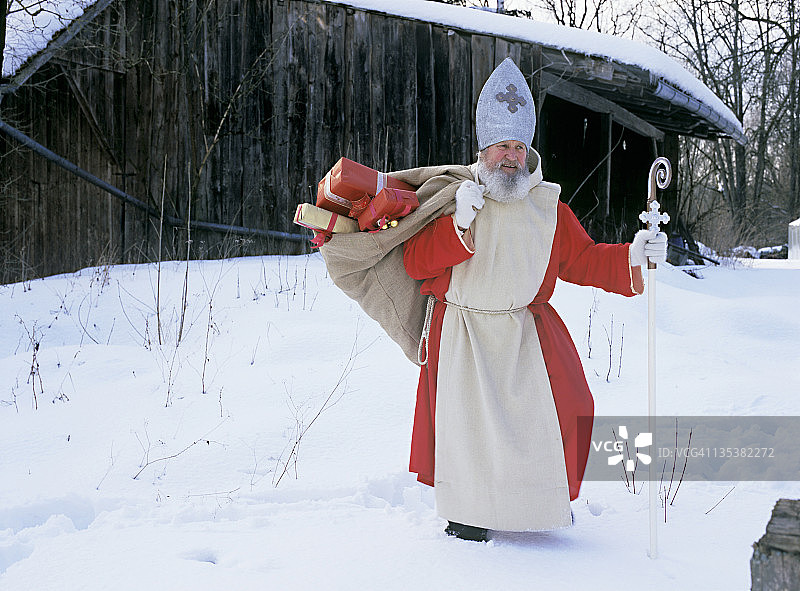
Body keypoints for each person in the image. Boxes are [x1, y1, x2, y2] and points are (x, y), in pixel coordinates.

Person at [318, 57, 666, 543]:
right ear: (484, 147)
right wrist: (457, 223)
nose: (511, 157)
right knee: (468, 435)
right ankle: (468, 516)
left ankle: (538, 503)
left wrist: (633, 254)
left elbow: (584, 259)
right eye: (503, 145)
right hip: (463, 336)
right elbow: (417, 263)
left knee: (569, 409)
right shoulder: (453, 196)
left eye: (519, 147)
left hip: (525, 335)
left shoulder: (548, 208)